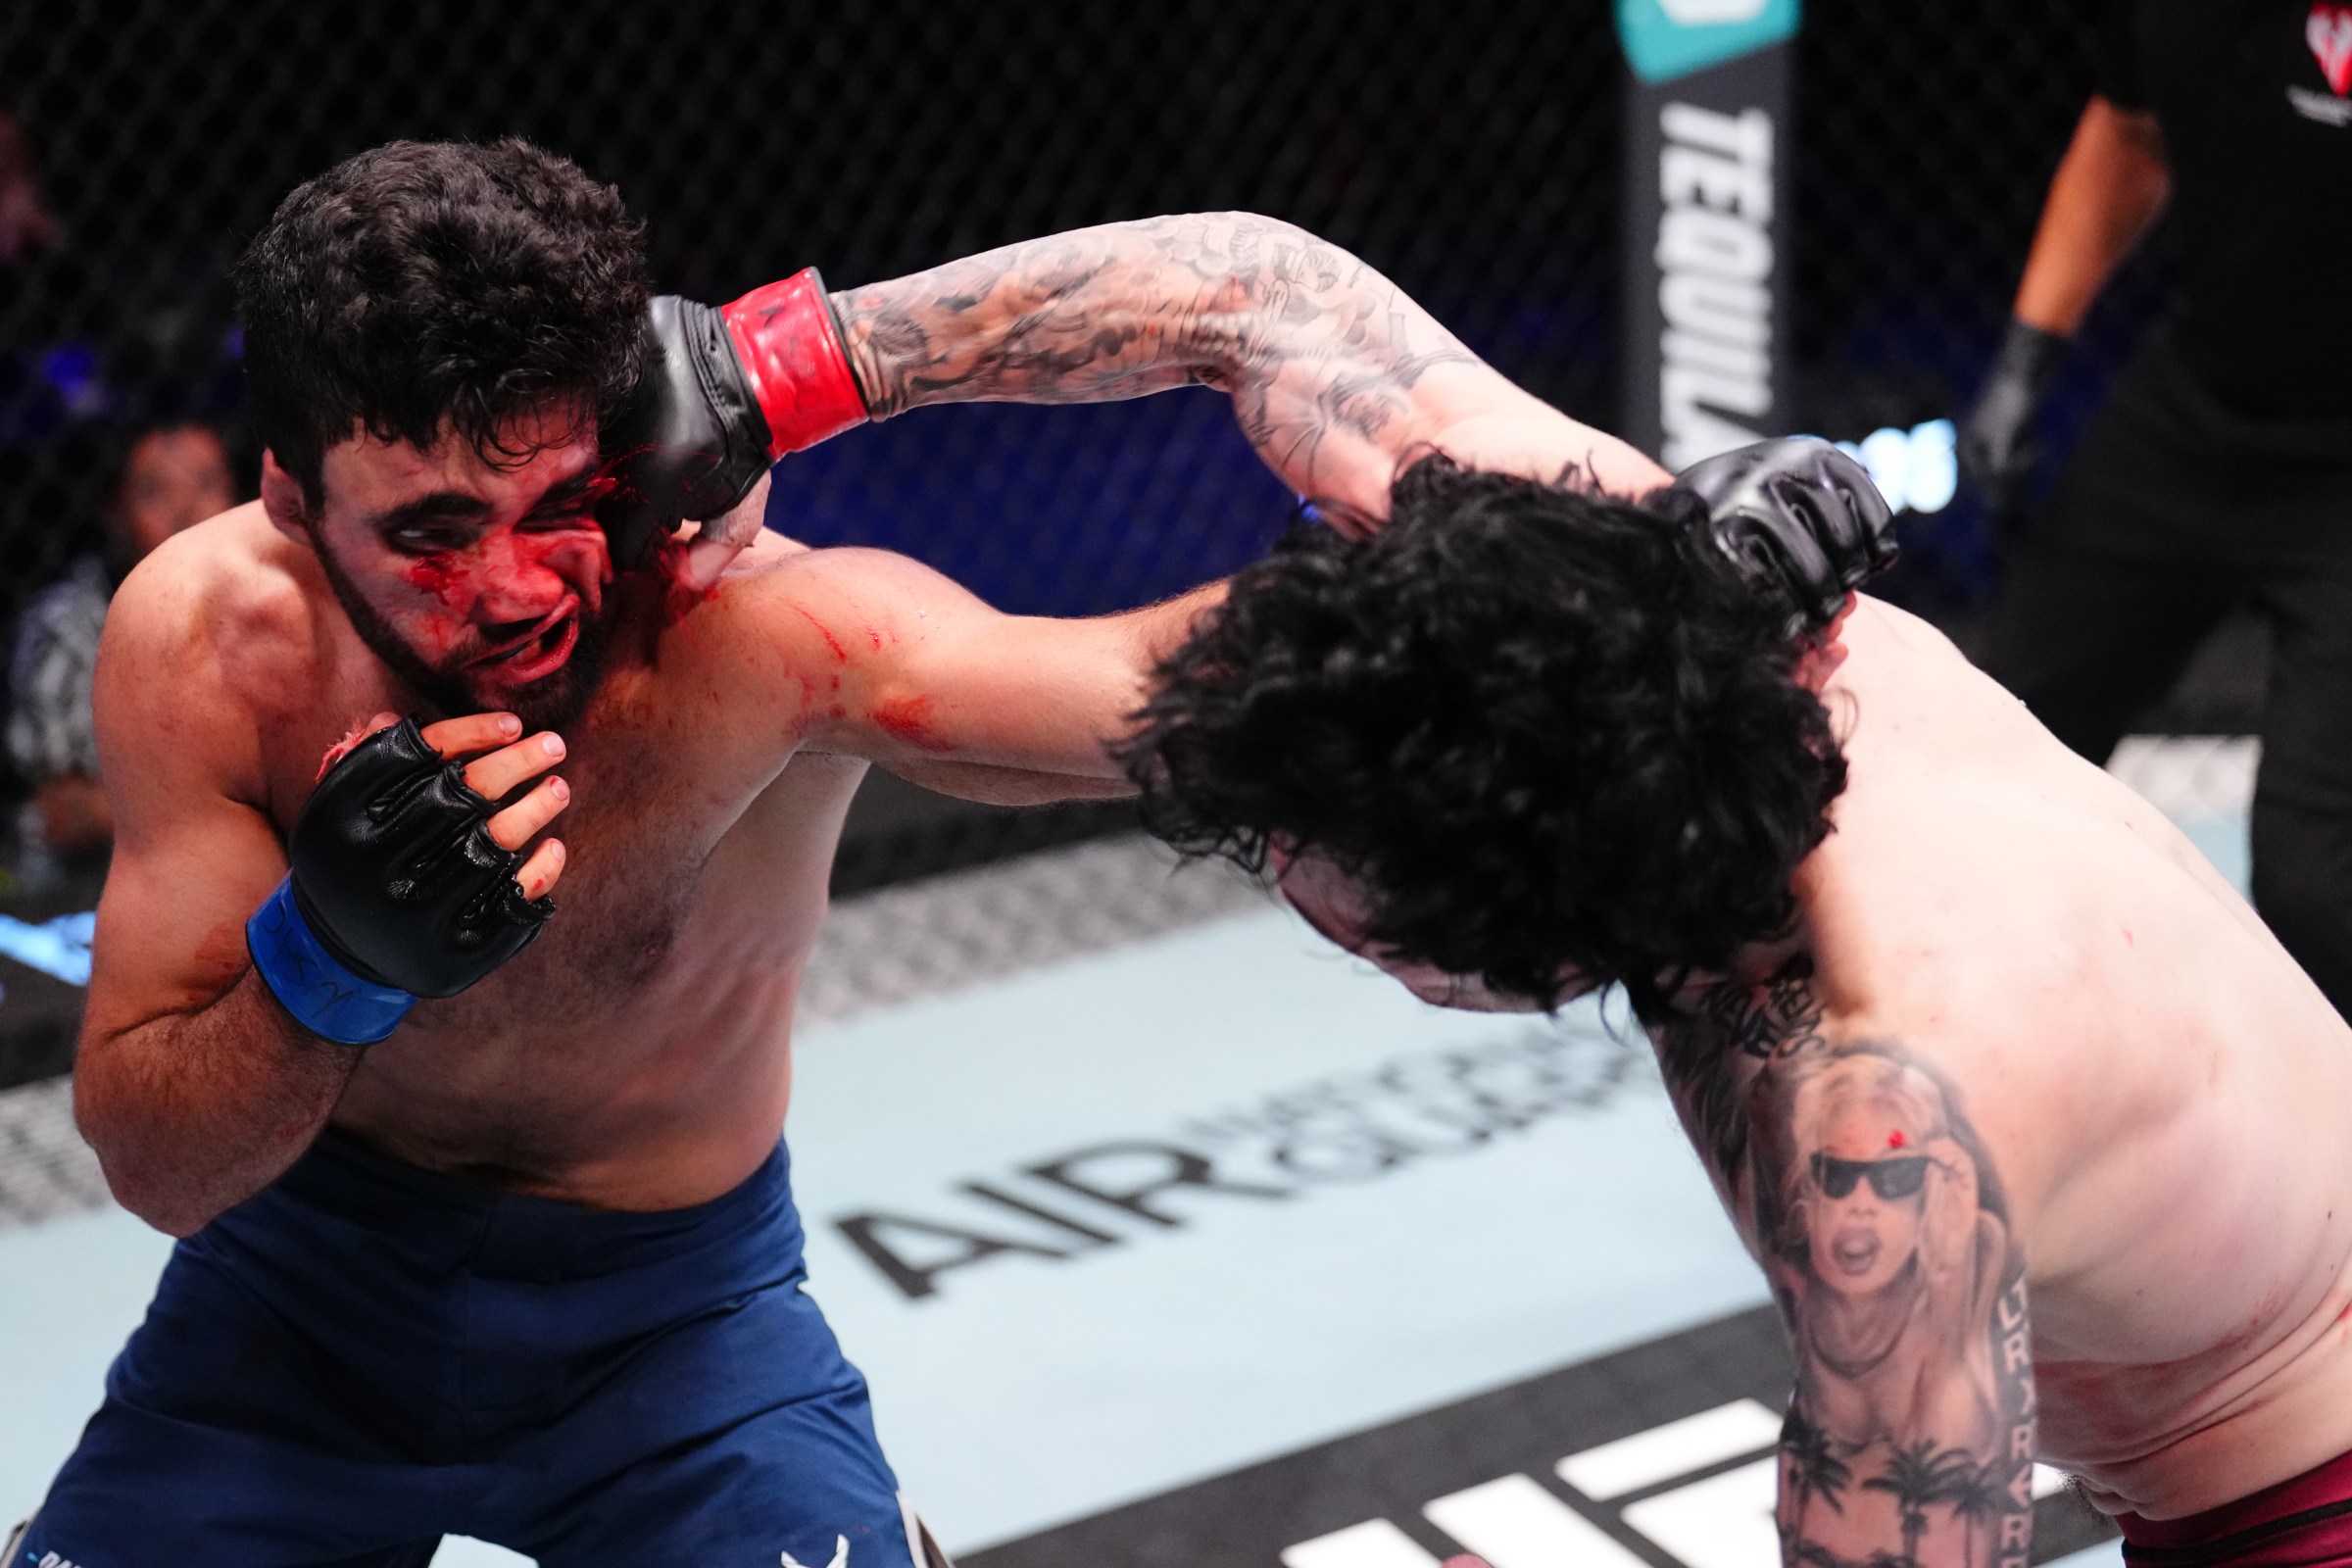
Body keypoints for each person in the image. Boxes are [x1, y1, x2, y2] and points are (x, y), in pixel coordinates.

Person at [20, 143, 1856, 1565]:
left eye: (562, 502)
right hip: (297, 1304)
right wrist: (319, 969)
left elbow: (1198, 683)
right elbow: (161, 1165)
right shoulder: (215, 647)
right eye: (429, 530)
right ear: (287, 494)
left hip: (672, 1330)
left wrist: (1647, 575)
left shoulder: (758, 643)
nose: (513, 586)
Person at [1112, 310, 2352, 1557]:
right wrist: (897, 356)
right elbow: (1242, 287)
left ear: (1535, 948)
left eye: (1367, 925)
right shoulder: (1682, 662)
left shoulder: (1893, 1122)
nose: (1311, 900)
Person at [1962, 1, 2352, 1016]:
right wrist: (2026, 356)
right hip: (2206, 401)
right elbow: (2129, 133)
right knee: (1994, 740)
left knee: (2318, 880)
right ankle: (1981, 1052)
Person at [7, 417, 237, 868]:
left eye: (207, 484)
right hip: (90, 886)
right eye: (154, 492)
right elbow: (67, 815)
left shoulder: (272, 607)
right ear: (113, 510)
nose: (186, 512)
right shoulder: (68, 630)